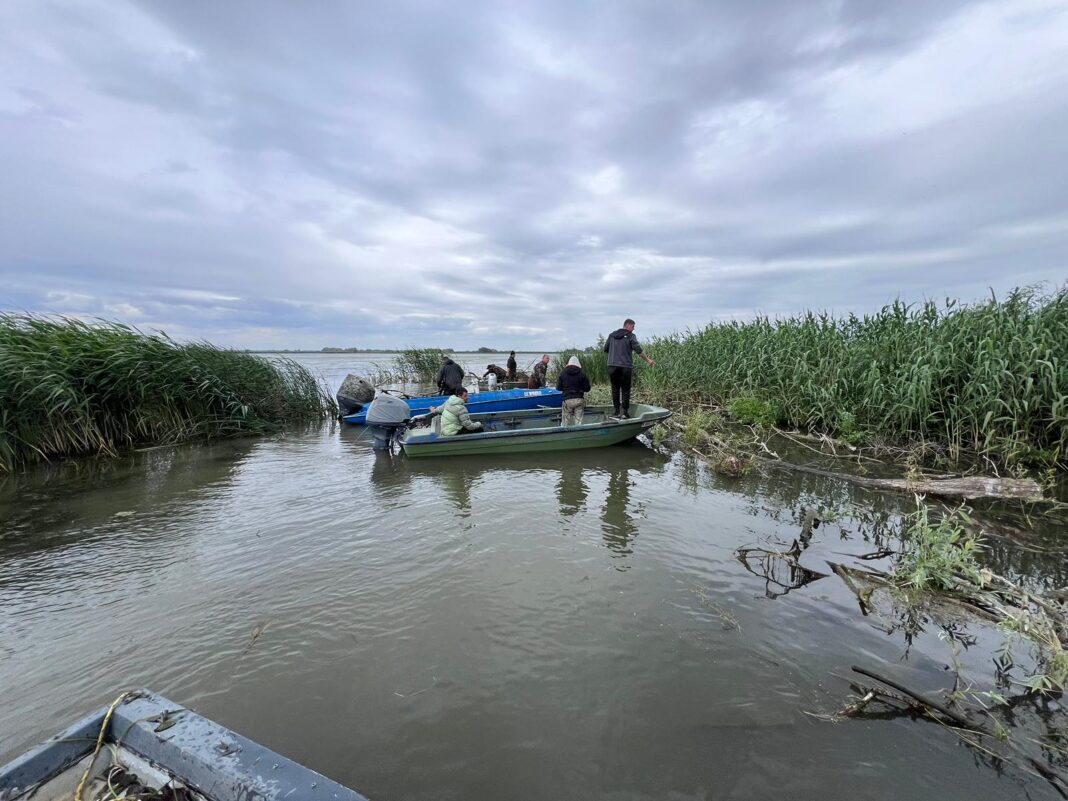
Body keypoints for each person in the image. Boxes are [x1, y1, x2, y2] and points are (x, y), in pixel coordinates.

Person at [603, 318, 655, 417]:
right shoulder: (631, 336)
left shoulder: (612, 335)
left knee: (615, 389)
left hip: (612, 366)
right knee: (626, 389)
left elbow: (605, 349)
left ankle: (616, 411)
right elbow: (638, 350)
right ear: (627, 325)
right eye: (633, 326)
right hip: (625, 367)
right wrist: (648, 360)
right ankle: (625, 413)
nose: (634, 328)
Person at [555, 355, 591, 425]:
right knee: (578, 421)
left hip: (567, 400)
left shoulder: (562, 373)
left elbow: (558, 388)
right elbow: (587, 389)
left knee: (565, 420)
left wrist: (565, 389)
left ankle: (564, 430)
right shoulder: (582, 374)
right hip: (579, 400)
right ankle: (578, 430)